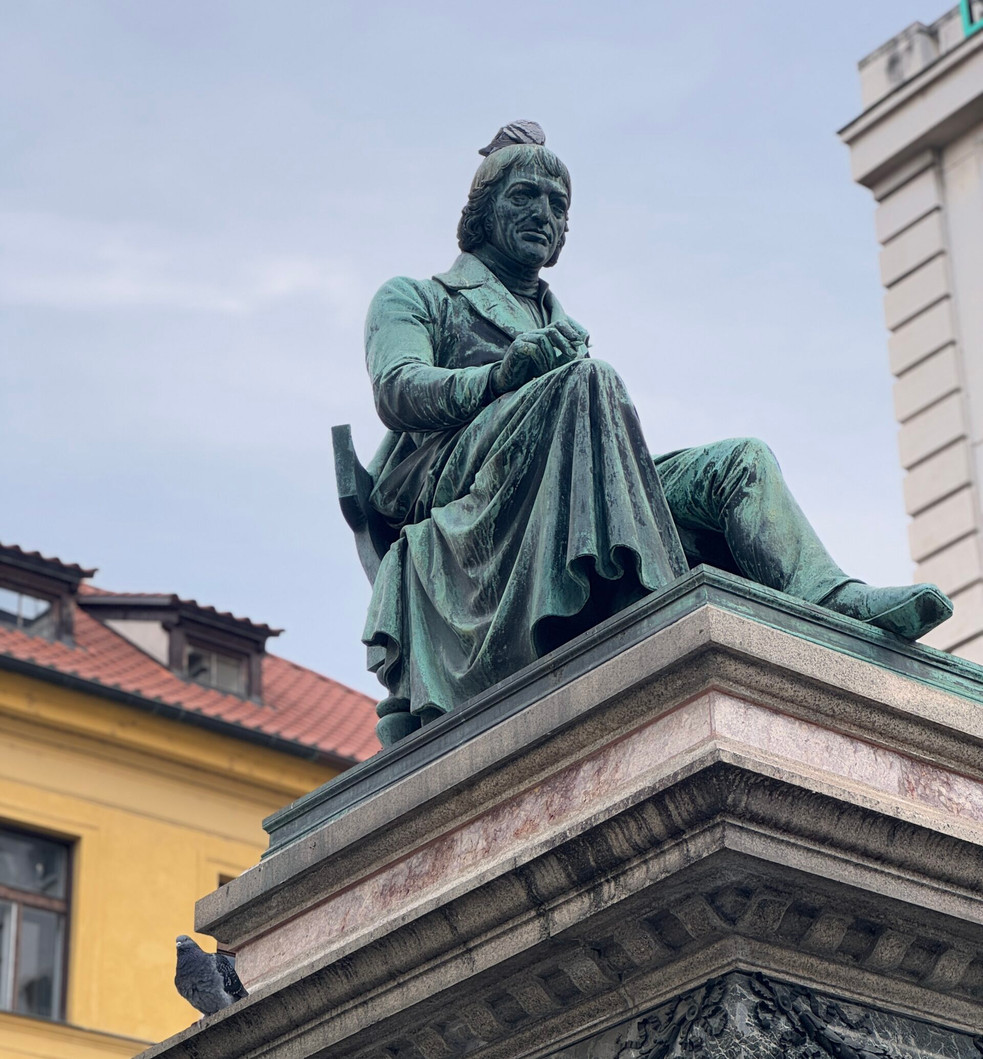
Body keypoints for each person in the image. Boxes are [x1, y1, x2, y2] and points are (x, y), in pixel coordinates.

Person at [359, 121, 952, 746]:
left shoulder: (567, 328)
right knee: (590, 381)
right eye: (524, 196)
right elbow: (398, 388)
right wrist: (500, 376)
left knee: (738, 462)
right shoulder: (418, 296)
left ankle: (832, 599)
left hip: (566, 485)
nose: (544, 213)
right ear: (481, 212)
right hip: (465, 486)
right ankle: (665, 603)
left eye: (558, 205)